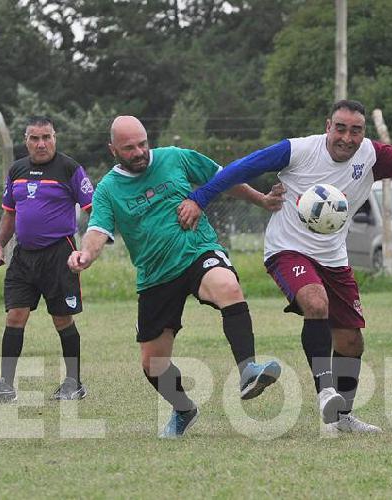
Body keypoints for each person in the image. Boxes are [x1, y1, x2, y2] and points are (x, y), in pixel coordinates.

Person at [177, 99, 392, 434]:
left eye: (356, 130)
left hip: (333, 257)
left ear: (363, 132)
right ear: (328, 126)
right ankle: (325, 391)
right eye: (341, 128)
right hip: (288, 250)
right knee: (315, 302)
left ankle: (342, 417)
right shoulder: (297, 150)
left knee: (351, 342)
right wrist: (200, 198)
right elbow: (241, 168)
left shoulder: (372, 156)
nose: (347, 137)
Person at [67, 116, 285, 439]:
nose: (140, 152)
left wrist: (261, 199)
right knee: (152, 364)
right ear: (112, 149)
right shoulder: (108, 190)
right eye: (129, 148)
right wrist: (86, 255)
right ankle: (183, 408)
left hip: (197, 251)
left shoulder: (175, 157)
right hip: (155, 275)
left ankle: (248, 370)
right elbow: (98, 229)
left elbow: (222, 178)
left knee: (227, 285)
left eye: (143, 143)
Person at [0, 116, 94, 403]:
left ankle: (74, 383)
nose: (41, 143)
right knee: (15, 316)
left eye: (47, 137)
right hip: (23, 256)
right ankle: (5, 386)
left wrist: (90, 248)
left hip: (60, 255)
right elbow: (9, 212)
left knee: (61, 319)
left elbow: (94, 208)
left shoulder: (70, 169)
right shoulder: (16, 170)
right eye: (34, 138)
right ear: (26, 140)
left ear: (55, 138)